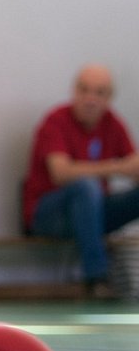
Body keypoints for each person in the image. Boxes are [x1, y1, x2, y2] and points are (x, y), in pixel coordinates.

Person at [22, 64, 139, 299]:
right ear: (74, 91)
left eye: (99, 92)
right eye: (84, 90)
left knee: (92, 191)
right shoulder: (55, 121)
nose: (90, 99)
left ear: (109, 98)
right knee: (86, 186)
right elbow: (61, 173)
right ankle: (96, 278)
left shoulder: (113, 124)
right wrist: (117, 167)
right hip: (50, 214)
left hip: (92, 213)